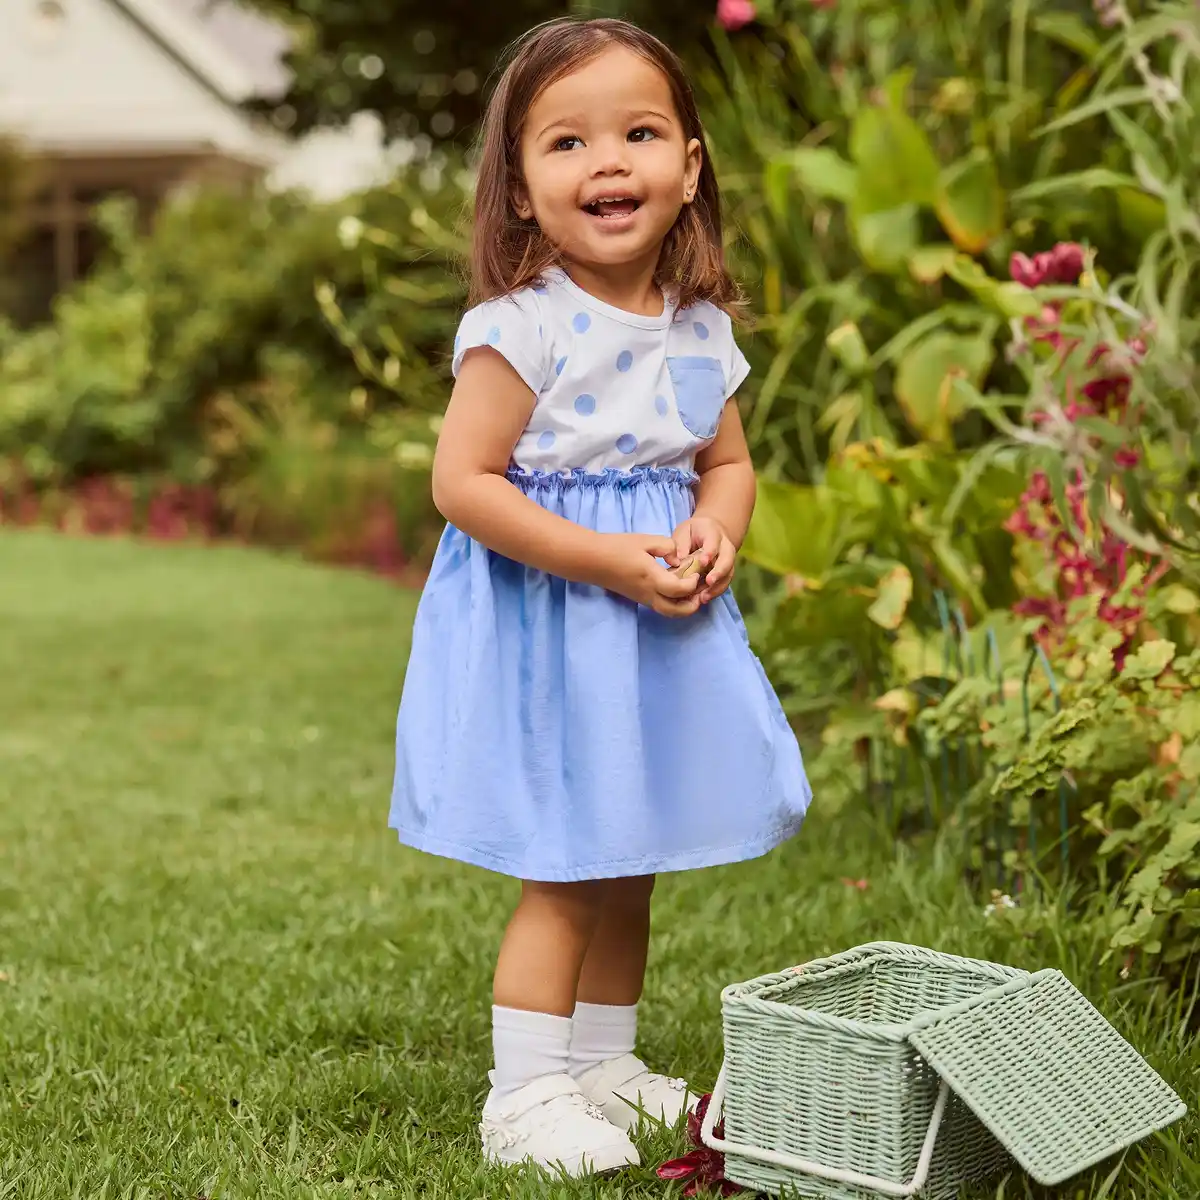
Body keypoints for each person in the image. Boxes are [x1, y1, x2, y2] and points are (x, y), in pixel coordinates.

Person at [389, 15, 811, 1178]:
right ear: (521, 189)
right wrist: (611, 560)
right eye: (567, 143)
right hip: (556, 625)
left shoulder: (700, 329)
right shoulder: (519, 329)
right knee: (569, 861)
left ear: (690, 165)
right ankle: (522, 1094)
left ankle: (603, 1063)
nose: (609, 162)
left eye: (639, 133)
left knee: (630, 852)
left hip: (652, 632)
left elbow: (725, 464)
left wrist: (713, 535)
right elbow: (463, 484)